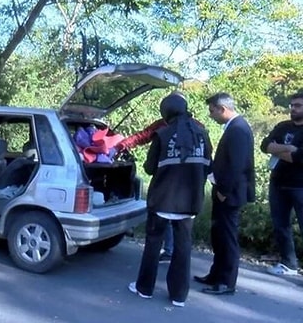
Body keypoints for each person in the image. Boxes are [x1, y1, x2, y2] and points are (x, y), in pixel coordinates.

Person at [128, 92, 212, 307]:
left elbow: (149, 168)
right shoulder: (202, 134)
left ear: (165, 113)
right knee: (183, 249)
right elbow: (207, 165)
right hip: (190, 202)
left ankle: (144, 288)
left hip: (163, 200)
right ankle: (178, 296)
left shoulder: (163, 134)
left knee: (153, 245)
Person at [195, 92, 255, 295]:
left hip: (230, 193)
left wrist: (223, 191)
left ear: (223, 109)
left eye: (212, 111)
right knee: (219, 235)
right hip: (226, 191)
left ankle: (227, 281)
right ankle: (216, 274)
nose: (210, 115)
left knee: (227, 237)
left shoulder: (238, 129)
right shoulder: (234, 127)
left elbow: (237, 165)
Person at [260, 89, 303, 276]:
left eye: (298, 106)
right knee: (281, 225)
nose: (293, 109)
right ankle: (289, 264)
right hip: (278, 183)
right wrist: (288, 149)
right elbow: (264, 145)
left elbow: (300, 158)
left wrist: (275, 150)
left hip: (300, 185)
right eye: (292, 105)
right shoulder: (283, 126)